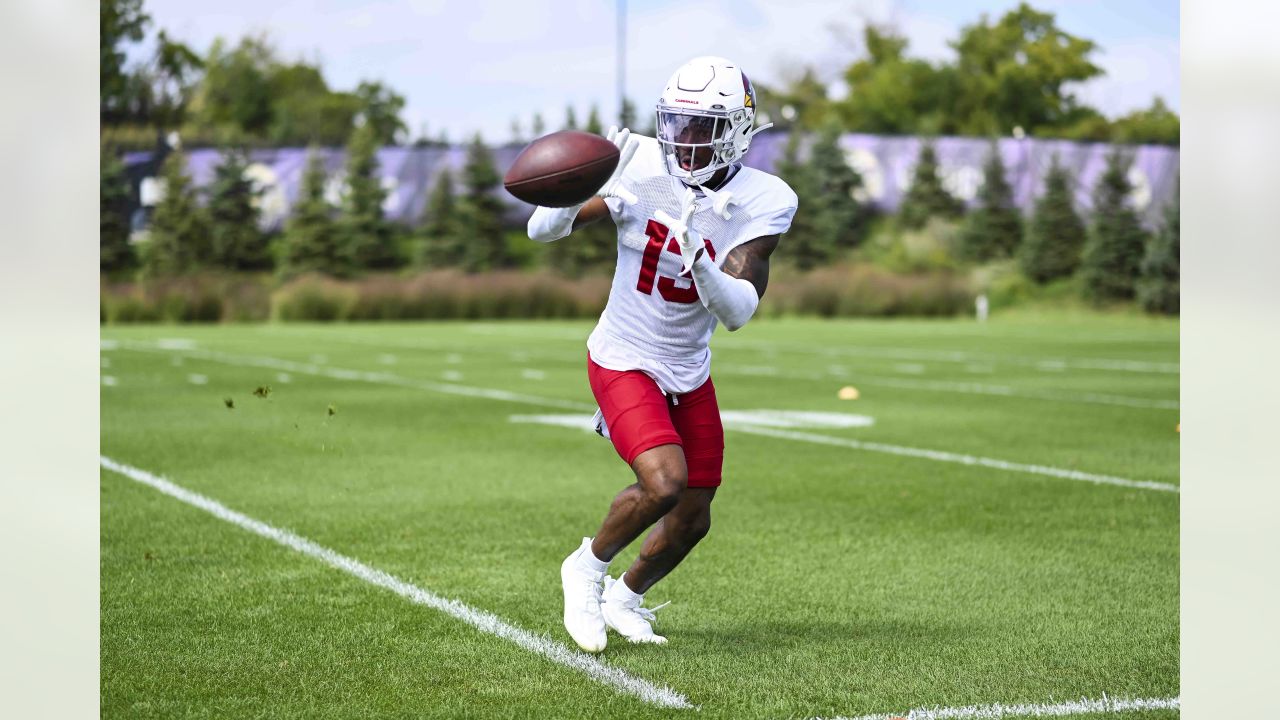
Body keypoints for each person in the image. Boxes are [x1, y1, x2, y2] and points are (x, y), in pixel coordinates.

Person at [527, 56, 798, 652]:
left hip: (688, 366)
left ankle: (627, 597)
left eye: (703, 126)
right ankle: (586, 567)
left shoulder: (766, 198)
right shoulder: (641, 164)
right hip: (624, 353)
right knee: (664, 481)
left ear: (739, 132)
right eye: (676, 123)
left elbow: (737, 311)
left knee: (693, 517)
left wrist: (702, 261)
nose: (685, 140)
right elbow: (542, 232)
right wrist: (581, 182)